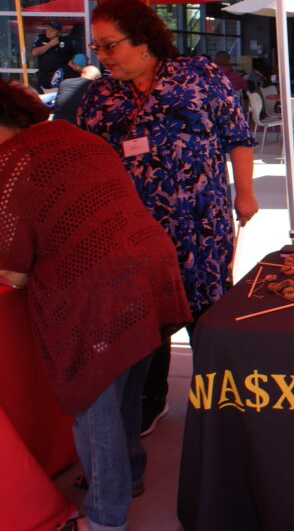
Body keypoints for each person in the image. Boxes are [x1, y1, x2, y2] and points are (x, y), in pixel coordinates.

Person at [0, 81, 191, 531]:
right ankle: (131, 477)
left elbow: (15, 268)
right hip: (149, 267)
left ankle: (106, 518)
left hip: (101, 287)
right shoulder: (76, 136)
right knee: (125, 393)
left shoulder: (12, 161)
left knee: (93, 404)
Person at [77, 0, 257, 436]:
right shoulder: (100, 94)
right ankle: (150, 399)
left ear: (143, 41)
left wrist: (246, 193)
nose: (103, 56)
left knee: (206, 309)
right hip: (133, 228)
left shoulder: (198, 76)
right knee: (144, 314)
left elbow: (237, 135)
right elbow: (85, 158)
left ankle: (218, 404)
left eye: (110, 45)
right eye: (97, 48)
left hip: (200, 221)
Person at [30, 20, 72, 92]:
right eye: (47, 29)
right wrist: (50, 44)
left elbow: (70, 57)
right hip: (43, 76)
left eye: (51, 30)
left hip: (58, 76)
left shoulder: (64, 41)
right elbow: (34, 52)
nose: (48, 32)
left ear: (58, 32)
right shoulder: (41, 38)